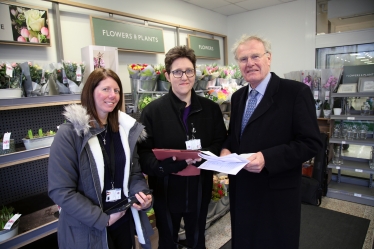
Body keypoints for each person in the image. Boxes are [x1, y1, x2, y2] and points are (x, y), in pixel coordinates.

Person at [220, 35, 322, 248]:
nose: (250, 63)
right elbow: (235, 136)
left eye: (255, 56)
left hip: (276, 194)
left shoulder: (295, 92)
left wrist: (268, 158)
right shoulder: (238, 97)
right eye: (243, 59)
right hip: (243, 190)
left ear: (268, 58)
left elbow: (311, 142)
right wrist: (226, 149)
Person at [48, 68, 154, 249]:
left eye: (117, 90)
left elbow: (134, 173)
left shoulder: (124, 131)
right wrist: (101, 219)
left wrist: (141, 195)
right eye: (105, 89)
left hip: (122, 221)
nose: (112, 95)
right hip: (87, 229)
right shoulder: (70, 134)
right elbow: (60, 190)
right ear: (90, 92)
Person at [137, 45, 227, 249]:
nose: (183, 76)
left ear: (194, 73)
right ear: (168, 76)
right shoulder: (152, 112)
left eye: (189, 71)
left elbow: (220, 141)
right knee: (167, 241)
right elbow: (143, 152)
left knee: (197, 239)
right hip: (166, 187)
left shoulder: (211, 110)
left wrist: (206, 157)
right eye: (177, 71)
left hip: (200, 185)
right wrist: (161, 166)